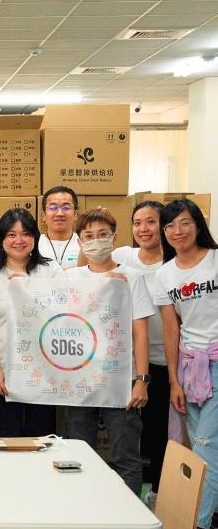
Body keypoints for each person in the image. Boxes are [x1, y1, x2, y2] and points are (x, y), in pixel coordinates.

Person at [64, 207, 153, 495]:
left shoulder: (132, 278)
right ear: (79, 242)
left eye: (103, 235)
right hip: (79, 381)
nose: (96, 241)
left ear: (114, 237)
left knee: (125, 456)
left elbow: (140, 331)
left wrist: (142, 380)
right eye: (88, 236)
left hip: (120, 380)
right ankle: (84, 517)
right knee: (80, 456)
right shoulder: (69, 278)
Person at [155, 199, 218, 529]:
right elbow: (170, 329)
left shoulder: (215, 259)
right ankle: (208, 522)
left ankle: (195, 528)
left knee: (207, 444)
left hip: (217, 362)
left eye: (184, 223)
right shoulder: (165, 274)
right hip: (189, 365)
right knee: (197, 445)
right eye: (170, 227)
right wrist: (174, 382)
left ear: (198, 224)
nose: (177, 232)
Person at [0, 208, 62, 437]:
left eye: (25, 234)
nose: (19, 240)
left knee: (42, 437)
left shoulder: (51, 270)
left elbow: (64, 314)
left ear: (35, 237)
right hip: (5, 371)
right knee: (9, 436)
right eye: (11, 235)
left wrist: (29, 289)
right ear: (1, 239)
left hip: (45, 372)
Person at [112, 201, 168, 508]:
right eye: (137, 223)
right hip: (127, 361)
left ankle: (160, 491)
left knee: (160, 430)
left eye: (150, 222)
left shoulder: (172, 262)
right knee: (132, 431)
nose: (143, 229)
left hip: (166, 358)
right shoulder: (123, 256)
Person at [37, 186, 80, 269]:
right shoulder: (34, 245)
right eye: (53, 208)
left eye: (66, 208)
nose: (60, 213)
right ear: (43, 216)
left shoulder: (85, 245)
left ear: (75, 214)